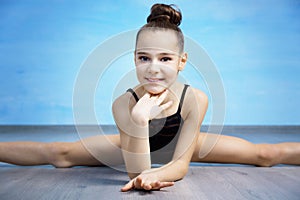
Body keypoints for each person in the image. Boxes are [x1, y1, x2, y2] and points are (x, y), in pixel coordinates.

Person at [0, 3, 299, 192]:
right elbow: (136, 169)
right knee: (60, 155)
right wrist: (140, 120)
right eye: (145, 58)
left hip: (187, 145)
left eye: (166, 59)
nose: (153, 69)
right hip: (132, 148)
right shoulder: (124, 104)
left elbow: (180, 166)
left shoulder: (194, 99)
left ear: (181, 62)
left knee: (265, 155)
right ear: (134, 59)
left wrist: (153, 176)